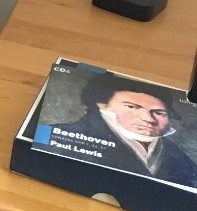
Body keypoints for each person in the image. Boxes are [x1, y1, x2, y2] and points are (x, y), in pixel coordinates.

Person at [53, 71, 197, 187]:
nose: (148, 119)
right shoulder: (59, 136)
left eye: (159, 113)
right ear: (102, 106)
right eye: (132, 107)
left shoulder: (181, 160)